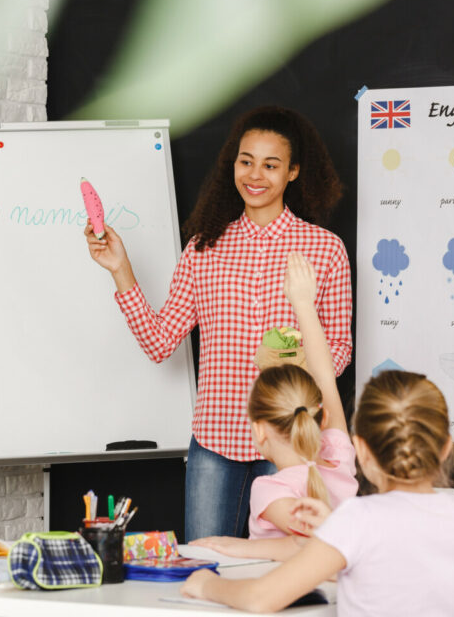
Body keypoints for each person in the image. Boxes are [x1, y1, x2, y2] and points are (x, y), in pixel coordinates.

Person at [85, 106, 353, 540]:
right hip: (215, 438)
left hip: (291, 439)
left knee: (290, 564)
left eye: (271, 165)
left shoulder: (325, 249)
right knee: (205, 562)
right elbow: (159, 342)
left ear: (293, 172)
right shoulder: (204, 248)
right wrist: (121, 269)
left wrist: (299, 360)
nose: (255, 174)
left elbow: (339, 349)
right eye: (246, 161)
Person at [181, 369, 454, 616]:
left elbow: (260, 598)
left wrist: (207, 584)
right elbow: (415, 564)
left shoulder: (356, 523)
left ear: (362, 450)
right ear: (446, 448)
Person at [189, 252, 355, 557]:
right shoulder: (338, 457)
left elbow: (317, 545)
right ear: (324, 416)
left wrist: (235, 547)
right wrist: (304, 304)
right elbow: (324, 376)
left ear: (258, 430)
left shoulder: (270, 490)